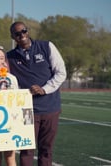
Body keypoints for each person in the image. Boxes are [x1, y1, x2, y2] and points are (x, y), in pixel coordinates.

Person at [7, 21, 67, 166]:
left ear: (27, 31)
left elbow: (61, 72)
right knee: (26, 149)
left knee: (46, 149)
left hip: (50, 108)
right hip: (27, 110)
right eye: (17, 33)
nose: (21, 35)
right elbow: (3, 77)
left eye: (24, 31)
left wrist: (44, 89)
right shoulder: (10, 56)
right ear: (13, 37)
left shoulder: (46, 46)